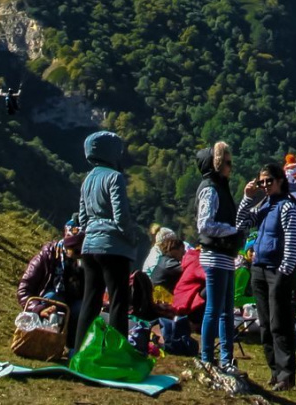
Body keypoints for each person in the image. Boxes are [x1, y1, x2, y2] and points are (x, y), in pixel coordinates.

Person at [235, 161, 296, 390]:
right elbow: (241, 223)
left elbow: (293, 239)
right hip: (259, 269)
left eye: (269, 181)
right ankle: (275, 372)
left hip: (277, 271)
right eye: (262, 181)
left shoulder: (288, 206)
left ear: (280, 181)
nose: (265, 185)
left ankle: (287, 375)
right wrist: (248, 198)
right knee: (265, 324)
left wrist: (284, 270)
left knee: (280, 323)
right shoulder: (265, 204)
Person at [76, 130, 140, 349]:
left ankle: (79, 351)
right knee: (118, 303)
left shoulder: (87, 180)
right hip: (113, 248)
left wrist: (93, 230)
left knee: (90, 301)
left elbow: (83, 219)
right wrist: (131, 237)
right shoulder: (114, 177)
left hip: (89, 247)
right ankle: (115, 352)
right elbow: (121, 216)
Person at [195, 143, 245, 370]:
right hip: (214, 255)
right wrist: (232, 231)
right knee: (214, 309)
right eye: (227, 162)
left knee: (226, 310)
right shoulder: (211, 189)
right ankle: (207, 356)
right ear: (216, 164)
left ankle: (226, 358)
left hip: (224, 255)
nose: (230, 167)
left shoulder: (221, 187)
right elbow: (204, 224)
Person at [18, 221, 85, 355]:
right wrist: (39, 308)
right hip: (48, 304)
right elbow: (24, 289)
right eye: (75, 250)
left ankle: (73, 347)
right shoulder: (47, 256)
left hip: (72, 304)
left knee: (82, 307)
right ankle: (42, 342)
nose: (79, 254)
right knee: (52, 298)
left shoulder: (85, 264)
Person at [142, 226, 185, 291]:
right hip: (153, 292)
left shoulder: (162, 253)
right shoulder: (155, 257)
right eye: (173, 242)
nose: (175, 244)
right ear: (167, 242)